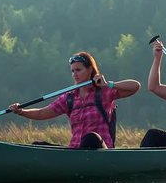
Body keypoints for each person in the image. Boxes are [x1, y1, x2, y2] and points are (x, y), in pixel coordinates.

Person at [9, 51, 140, 149]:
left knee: (91, 138)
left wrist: (108, 84)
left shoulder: (104, 92)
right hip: (75, 150)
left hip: (100, 151)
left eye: (78, 70)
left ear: (89, 70)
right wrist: (21, 111)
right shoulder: (69, 98)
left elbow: (135, 86)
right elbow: (41, 113)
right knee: (37, 145)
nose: (74, 74)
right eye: (72, 71)